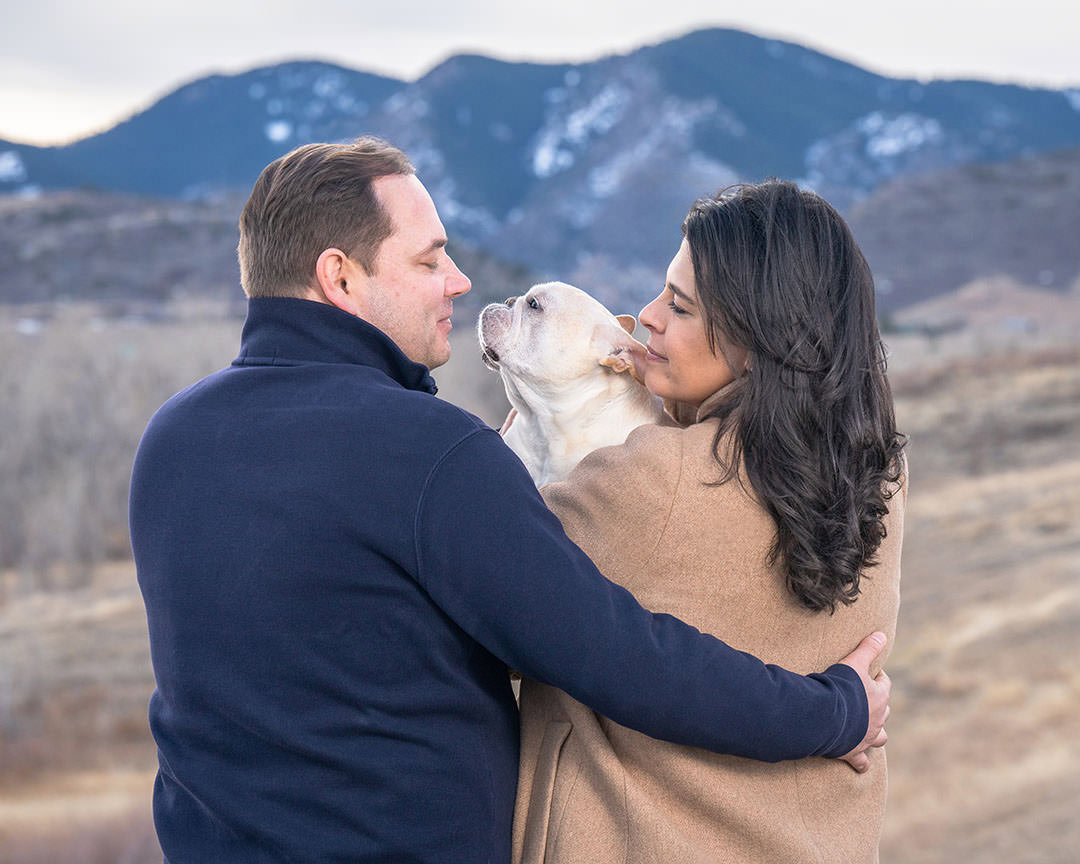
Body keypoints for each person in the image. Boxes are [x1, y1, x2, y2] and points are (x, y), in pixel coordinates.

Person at [129, 140, 890, 864]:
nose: (460, 280)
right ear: (341, 276)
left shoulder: (171, 439)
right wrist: (836, 713)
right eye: (429, 259)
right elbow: (619, 656)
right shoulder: (429, 454)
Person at [513, 180, 907, 863]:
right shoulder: (877, 473)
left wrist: (539, 414)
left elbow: (472, 587)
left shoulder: (652, 483)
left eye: (680, 306)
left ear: (759, 340)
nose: (647, 317)